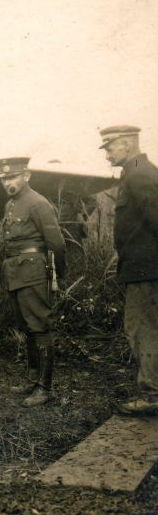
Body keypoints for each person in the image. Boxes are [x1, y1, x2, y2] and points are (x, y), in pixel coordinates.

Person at [0, 157, 66, 407]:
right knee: (27, 326)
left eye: (12, 177)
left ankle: (45, 389)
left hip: (34, 272)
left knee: (39, 326)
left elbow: (56, 243)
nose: (7, 183)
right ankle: (33, 379)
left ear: (26, 176)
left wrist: (59, 276)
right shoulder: (11, 205)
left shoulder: (38, 203)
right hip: (15, 272)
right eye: (3, 179)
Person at [98, 125, 158, 415]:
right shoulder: (136, 173)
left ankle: (151, 396)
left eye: (109, 148)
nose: (107, 154)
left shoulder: (140, 175)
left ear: (126, 144)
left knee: (141, 330)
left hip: (146, 270)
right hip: (143, 269)